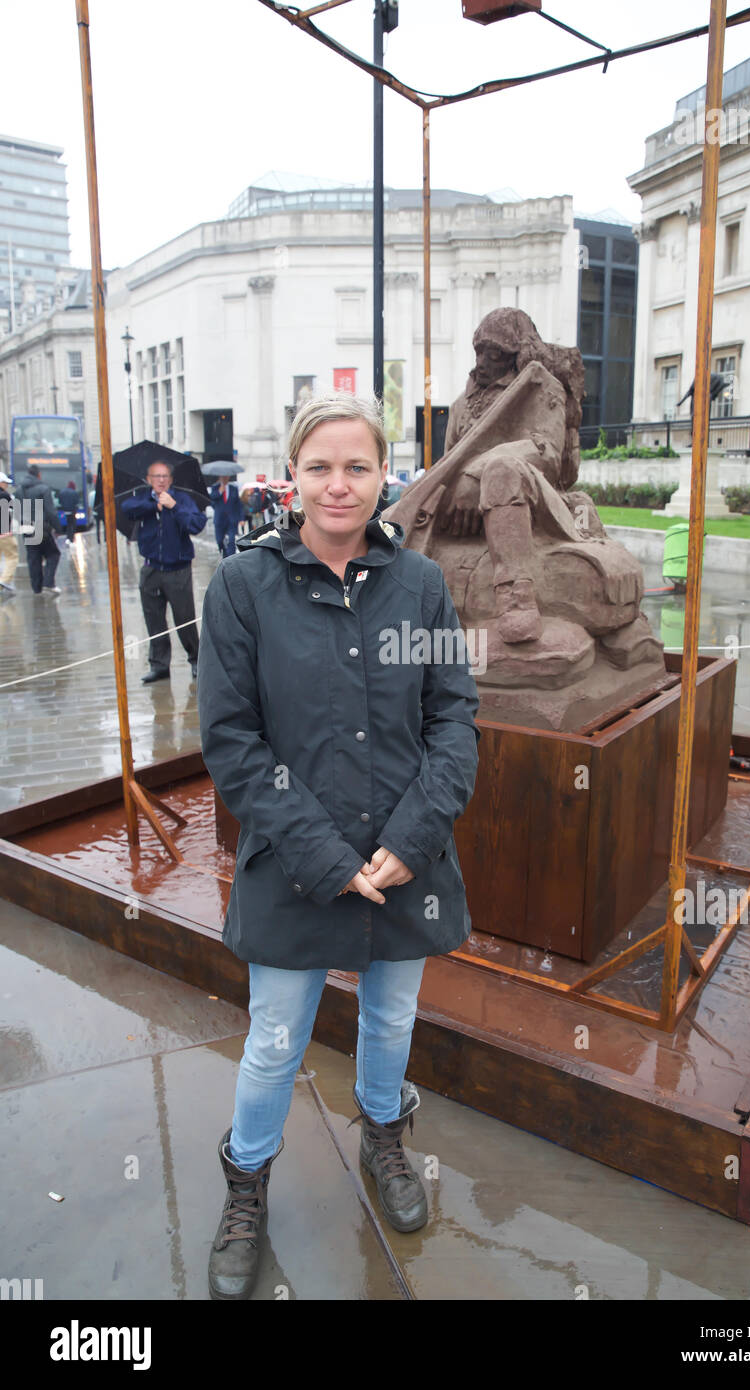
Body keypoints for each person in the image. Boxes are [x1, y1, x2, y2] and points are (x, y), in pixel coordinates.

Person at [197, 394, 480, 1301]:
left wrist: (412, 836)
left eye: (358, 466)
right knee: (275, 1041)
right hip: (295, 865)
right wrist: (324, 854)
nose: (338, 484)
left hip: (406, 861)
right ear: (292, 475)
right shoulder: (244, 587)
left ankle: (385, 1138)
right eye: (320, 466)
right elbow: (233, 741)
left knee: (392, 1021)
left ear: (384, 474)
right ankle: (247, 1186)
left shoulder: (422, 586)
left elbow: (454, 719)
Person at [121, 458, 207, 683]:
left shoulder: (181, 499)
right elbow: (126, 510)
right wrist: (154, 506)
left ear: (170, 479)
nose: (160, 481)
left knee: (184, 619)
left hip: (178, 569)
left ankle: (196, 659)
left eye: (164, 476)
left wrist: (173, 507)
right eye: (156, 477)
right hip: (151, 568)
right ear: (149, 479)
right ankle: (159, 665)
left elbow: (196, 524)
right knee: (154, 620)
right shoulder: (142, 499)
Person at [15, 465, 63, 595]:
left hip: (27, 528)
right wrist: (58, 528)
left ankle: (37, 589)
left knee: (33, 558)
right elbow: (50, 511)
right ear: (39, 475)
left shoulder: (18, 491)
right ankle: (48, 583)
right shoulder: (43, 489)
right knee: (53, 554)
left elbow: (17, 512)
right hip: (42, 527)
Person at [208, 476, 244, 557]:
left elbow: (239, 505)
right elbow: (211, 499)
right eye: (223, 477)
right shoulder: (215, 488)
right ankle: (224, 554)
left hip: (231, 520)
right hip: (219, 520)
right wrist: (220, 491)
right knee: (219, 541)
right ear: (220, 477)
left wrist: (241, 518)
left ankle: (231, 558)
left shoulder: (233, 488)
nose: (225, 478)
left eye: (226, 476)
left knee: (231, 540)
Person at [0, 471, 17, 597]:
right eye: (5, 483)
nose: (6, 485)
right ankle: (4, 581)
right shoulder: (5, 496)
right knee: (12, 556)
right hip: (4, 532)